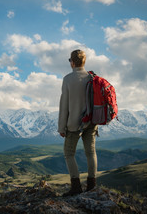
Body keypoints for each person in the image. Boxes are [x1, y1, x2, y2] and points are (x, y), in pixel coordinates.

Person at [58, 49, 98, 196]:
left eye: (70, 61)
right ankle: (92, 186)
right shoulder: (92, 77)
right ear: (84, 62)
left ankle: (76, 187)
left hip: (74, 123)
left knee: (69, 153)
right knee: (91, 152)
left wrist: (61, 127)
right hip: (92, 121)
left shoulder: (68, 79)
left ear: (72, 62)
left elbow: (64, 106)